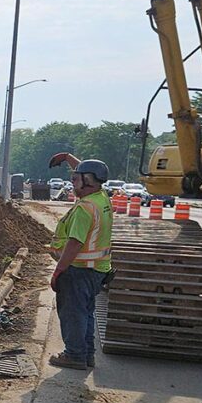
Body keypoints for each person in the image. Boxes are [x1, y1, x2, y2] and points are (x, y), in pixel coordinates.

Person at [46, 154, 113, 369]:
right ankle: (87, 354)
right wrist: (67, 158)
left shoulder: (85, 209)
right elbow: (88, 171)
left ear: (88, 181)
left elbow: (74, 243)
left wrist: (59, 270)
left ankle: (74, 355)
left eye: (76, 179)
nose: (72, 182)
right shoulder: (101, 198)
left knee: (73, 314)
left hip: (78, 270)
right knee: (86, 312)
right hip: (96, 271)